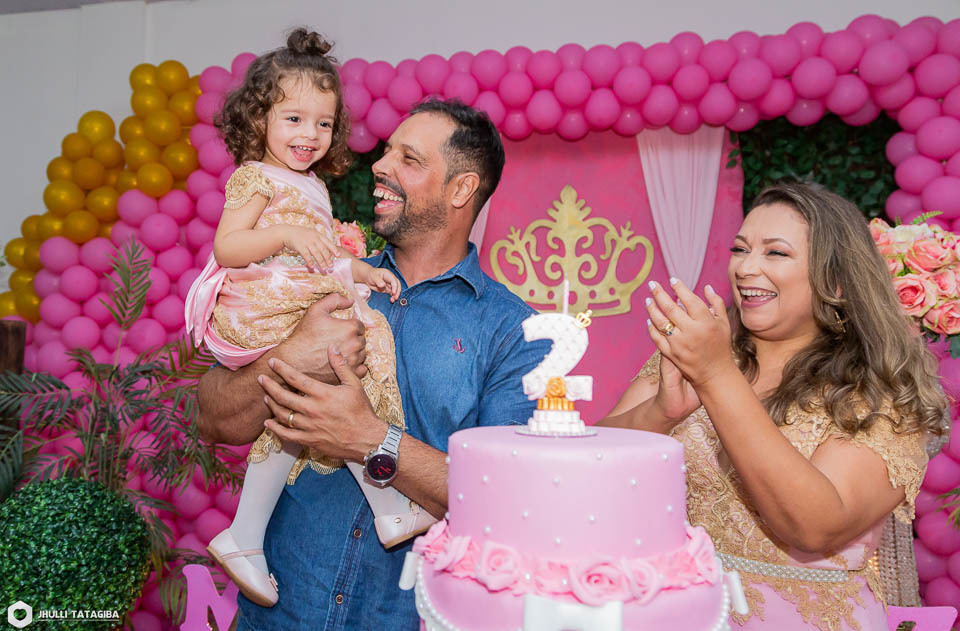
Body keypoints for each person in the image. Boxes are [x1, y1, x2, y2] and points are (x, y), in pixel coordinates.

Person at [196, 98, 550, 630]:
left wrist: (370, 439)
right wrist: (291, 356)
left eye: (409, 158)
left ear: (461, 189)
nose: (380, 166)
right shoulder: (312, 281)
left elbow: (510, 502)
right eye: (386, 152)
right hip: (279, 615)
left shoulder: (514, 333)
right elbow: (212, 419)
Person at [601, 182, 948, 630]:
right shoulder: (697, 353)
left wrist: (716, 376)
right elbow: (593, 464)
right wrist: (661, 413)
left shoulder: (878, 390)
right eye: (740, 249)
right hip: (677, 612)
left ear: (836, 280)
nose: (746, 268)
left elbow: (814, 526)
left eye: (776, 253)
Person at [183, 28, 416, 609]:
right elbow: (228, 248)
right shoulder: (255, 177)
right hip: (264, 304)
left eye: (323, 123)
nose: (309, 134)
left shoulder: (311, 185)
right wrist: (284, 231)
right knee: (344, 367)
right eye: (293, 119)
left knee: (316, 404)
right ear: (259, 118)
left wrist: (360, 272)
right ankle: (385, 504)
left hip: (295, 293)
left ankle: (248, 534)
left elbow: (318, 257)